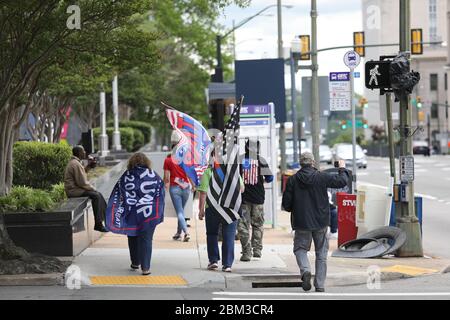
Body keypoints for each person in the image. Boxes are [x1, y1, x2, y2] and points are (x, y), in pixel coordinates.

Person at [282, 152, 349, 293]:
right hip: (321, 221)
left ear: (301, 163)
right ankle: (319, 285)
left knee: (300, 249)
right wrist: (342, 168)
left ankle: (305, 270)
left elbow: (286, 205)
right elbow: (341, 181)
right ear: (313, 163)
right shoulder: (321, 176)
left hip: (301, 222)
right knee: (321, 253)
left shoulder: (292, 180)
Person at [197, 151, 245, 273]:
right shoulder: (233, 173)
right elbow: (242, 189)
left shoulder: (208, 172)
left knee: (212, 234)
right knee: (229, 236)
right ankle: (227, 264)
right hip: (230, 208)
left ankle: (213, 261)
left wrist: (201, 210)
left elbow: (203, 193)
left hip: (212, 208)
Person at [124, 153, 164, 275]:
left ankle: (135, 262)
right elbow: (160, 193)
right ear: (146, 162)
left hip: (132, 211)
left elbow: (121, 192)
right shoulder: (153, 175)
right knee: (146, 239)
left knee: (132, 235)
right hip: (149, 212)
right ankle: (146, 268)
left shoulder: (127, 175)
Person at [238, 139, 273, 261]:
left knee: (243, 225)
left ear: (246, 147)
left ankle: (246, 252)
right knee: (258, 224)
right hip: (258, 198)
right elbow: (270, 178)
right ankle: (257, 249)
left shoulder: (240, 160)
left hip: (242, 198)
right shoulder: (261, 160)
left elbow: (234, 177)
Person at [64, 145, 108, 232]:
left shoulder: (75, 162)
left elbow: (81, 174)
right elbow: (82, 182)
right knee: (96, 195)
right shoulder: (75, 164)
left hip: (76, 189)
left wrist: (89, 166)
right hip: (74, 191)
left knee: (98, 194)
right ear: (79, 153)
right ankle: (99, 224)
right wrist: (92, 188)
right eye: (83, 151)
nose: (84, 153)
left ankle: (105, 218)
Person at [164, 144, 194, 242]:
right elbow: (189, 174)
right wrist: (193, 185)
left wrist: (165, 184)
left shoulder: (168, 160)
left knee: (180, 212)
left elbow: (167, 178)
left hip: (175, 187)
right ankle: (178, 233)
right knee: (181, 211)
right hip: (185, 187)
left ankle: (186, 233)